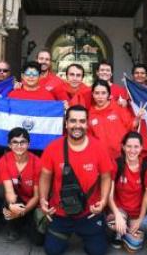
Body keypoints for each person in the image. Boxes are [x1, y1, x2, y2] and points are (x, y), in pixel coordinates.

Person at [39, 106, 114, 255]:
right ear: (66, 123)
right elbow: (45, 176)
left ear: (87, 124)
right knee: (52, 251)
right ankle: (63, 234)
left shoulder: (99, 148)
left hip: (90, 212)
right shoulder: (52, 148)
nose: (77, 125)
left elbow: (106, 177)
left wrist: (104, 201)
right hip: (60, 211)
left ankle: (94, 232)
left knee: (98, 252)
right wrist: (42, 199)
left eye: (82, 121)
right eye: (73, 121)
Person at [108, 132, 147, 252]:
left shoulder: (146, 167)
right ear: (123, 147)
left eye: (136, 147)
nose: (132, 150)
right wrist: (118, 215)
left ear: (141, 148)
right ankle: (121, 230)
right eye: (129, 146)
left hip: (138, 212)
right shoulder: (117, 164)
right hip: (120, 210)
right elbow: (109, 195)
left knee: (134, 247)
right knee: (113, 222)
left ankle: (126, 231)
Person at [0, 127, 44, 244]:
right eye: (15, 142)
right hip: (17, 199)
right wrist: (12, 206)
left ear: (28, 144)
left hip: (32, 203)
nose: (19, 145)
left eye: (22, 142)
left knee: (38, 241)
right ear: (9, 145)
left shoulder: (37, 163)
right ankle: (13, 228)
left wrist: (23, 211)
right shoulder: (4, 161)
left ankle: (24, 221)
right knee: (5, 198)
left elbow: (37, 196)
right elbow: (9, 191)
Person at [88, 80, 143, 159]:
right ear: (92, 94)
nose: (100, 96)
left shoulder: (117, 107)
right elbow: (90, 138)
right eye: (97, 93)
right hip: (101, 158)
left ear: (109, 94)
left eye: (103, 93)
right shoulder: (90, 114)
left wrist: (138, 117)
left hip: (121, 156)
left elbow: (131, 125)